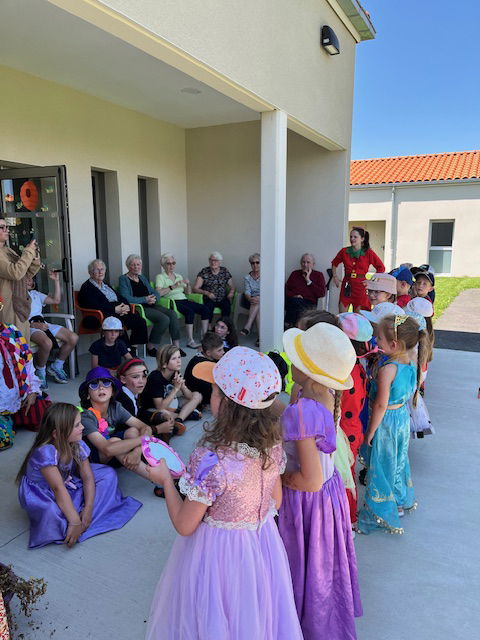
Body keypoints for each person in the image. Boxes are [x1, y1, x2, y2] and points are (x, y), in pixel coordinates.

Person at [144, 347, 303, 640]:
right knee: (252, 614)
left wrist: (165, 480)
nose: (210, 394)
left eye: (215, 391)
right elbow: (275, 501)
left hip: (218, 554)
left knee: (215, 614)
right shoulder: (272, 447)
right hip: (261, 546)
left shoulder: (211, 460)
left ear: (226, 405)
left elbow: (184, 524)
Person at [279, 322, 362, 640]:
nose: (290, 361)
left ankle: (311, 627)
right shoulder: (325, 396)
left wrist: (277, 475)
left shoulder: (302, 412)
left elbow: (308, 480)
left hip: (307, 503)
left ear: (309, 371)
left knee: (307, 569)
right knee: (323, 568)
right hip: (329, 498)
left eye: (295, 359)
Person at [17, 403, 141, 549]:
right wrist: (75, 521)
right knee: (51, 511)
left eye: (80, 423)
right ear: (57, 434)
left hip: (66, 481)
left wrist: (88, 509)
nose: (82, 427)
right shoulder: (45, 452)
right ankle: (76, 522)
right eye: (77, 425)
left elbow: (88, 477)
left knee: (108, 474)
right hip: (44, 493)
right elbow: (57, 488)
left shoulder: (77, 443)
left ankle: (84, 517)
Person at [357, 314, 428, 534]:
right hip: (401, 421)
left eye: (379, 338)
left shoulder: (388, 370)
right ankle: (398, 501)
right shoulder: (410, 363)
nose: (376, 341)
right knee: (397, 461)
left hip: (386, 422)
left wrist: (370, 431)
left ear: (394, 344)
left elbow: (380, 405)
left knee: (381, 464)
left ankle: (380, 511)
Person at [79, 367, 152, 480]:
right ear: (88, 394)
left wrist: (137, 452)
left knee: (133, 431)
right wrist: (143, 439)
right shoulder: (86, 416)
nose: (101, 387)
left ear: (112, 391)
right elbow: (107, 449)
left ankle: (144, 463)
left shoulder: (116, 407)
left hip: (113, 453)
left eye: (106, 383)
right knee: (114, 442)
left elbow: (145, 427)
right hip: (93, 459)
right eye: (94, 385)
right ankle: (159, 480)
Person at [338, 312, 373, 525]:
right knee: (347, 474)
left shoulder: (344, 370)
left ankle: (348, 519)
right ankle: (348, 517)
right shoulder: (356, 364)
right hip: (352, 429)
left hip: (344, 431)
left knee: (344, 477)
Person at [119, 254, 183, 357]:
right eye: (133, 265)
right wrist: (145, 299)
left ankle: (176, 346)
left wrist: (154, 298)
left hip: (150, 304)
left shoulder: (142, 278)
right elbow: (126, 298)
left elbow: (154, 292)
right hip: (139, 307)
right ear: (128, 266)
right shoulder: (123, 279)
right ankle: (151, 346)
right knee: (164, 319)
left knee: (172, 313)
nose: (136, 267)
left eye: (138, 264)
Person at [78, 259, 147, 350]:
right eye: (96, 269)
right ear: (90, 272)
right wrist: (114, 309)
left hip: (117, 311)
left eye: (102, 269)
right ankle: (126, 350)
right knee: (116, 322)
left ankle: (133, 348)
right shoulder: (87, 287)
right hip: (101, 315)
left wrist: (126, 306)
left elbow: (121, 297)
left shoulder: (105, 285)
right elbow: (94, 305)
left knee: (139, 320)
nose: (100, 272)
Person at [27, 271, 78, 387]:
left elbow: (56, 300)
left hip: (43, 323)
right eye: (25, 278)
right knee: (47, 343)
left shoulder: (35, 294)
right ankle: (40, 372)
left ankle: (56, 366)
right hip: (28, 326)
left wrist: (56, 281)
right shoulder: (16, 295)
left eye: (30, 278)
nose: (29, 281)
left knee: (73, 338)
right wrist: (34, 325)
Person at [140, 345, 203, 434]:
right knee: (164, 415)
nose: (179, 361)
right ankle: (185, 414)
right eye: (174, 359)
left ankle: (179, 419)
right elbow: (160, 406)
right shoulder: (155, 377)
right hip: (153, 409)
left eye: (179, 357)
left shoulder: (175, 372)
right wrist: (175, 389)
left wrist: (182, 386)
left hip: (171, 404)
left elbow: (190, 396)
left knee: (197, 395)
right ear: (164, 364)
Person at [0, 317, 41, 450]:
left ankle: (11, 419)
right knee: (3, 441)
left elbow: (28, 362)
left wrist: (33, 391)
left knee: (45, 419)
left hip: (19, 397)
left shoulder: (11, 331)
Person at [155, 253, 210, 349]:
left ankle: (204, 337)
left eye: (173, 263)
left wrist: (188, 285)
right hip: (172, 301)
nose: (171, 265)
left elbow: (188, 293)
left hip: (184, 299)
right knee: (190, 312)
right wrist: (173, 286)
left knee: (205, 309)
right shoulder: (160, 277)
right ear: (163, 265)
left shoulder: (178, 276)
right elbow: (158, 293)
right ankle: (190, 340)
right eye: (168, 263)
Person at [0, 218, 41, 340]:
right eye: (2, 227)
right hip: (7, 307)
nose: (6, 230)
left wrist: (34, 255)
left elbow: (26, 273)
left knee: (23, 349)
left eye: (6, 227)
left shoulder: (8, 250)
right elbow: (16, 273)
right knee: (13, 350)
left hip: (19, 305)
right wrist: (28, 252)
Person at [116, 358, 174, 441]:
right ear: (123, 379)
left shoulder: (135, 392)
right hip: (122, 437)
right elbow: (129, 427)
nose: (141, 381)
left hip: (134, 430)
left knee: (161, 417)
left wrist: (159, 415)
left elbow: (139, 414)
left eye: (144, 376)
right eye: (135, 377)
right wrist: (157, 429)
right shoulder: (122, 400)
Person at [332, 227, 385, 313]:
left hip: (361, 286)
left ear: (362, 239)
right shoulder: (344, 251)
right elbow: (334, 263)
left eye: (355, 237)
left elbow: (381, 267)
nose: (352, 239)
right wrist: (335, 277)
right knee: (342, 315)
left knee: (359, 316)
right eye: (351, 236)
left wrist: (372, 280)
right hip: (347, 284)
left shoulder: (368, 252)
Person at [184, 332, 225, 407]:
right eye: (219, 350)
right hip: (199, 395)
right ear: (208, 353)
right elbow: (209, 388)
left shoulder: (212, 357)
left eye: (222, 349)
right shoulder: (201, 365)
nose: (223, 352)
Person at [285, 253, 326, 326]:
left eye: (308, 262)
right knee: (294, 302)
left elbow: (321, 293)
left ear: (313, 264)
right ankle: (294, 326)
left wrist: (308, 280)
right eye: (303, 262)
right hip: (293, 300)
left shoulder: (318, 275)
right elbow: (285, 290)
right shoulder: (295, 274)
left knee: (296, 305)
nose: (305, 264)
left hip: (309, 303)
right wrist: (294, 295)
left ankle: (289, 325)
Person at [192, 252, 235, 320]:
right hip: (209, 298)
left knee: (227, 306)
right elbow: (195, 289)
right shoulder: (204, 271)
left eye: (215, 260)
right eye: (211, 260)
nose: (213, 262)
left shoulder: (224, 271)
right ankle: (208, 328)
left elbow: (232, 286)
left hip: (222, 297)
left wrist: (232, 292)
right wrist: (207, 293)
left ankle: (224, 326)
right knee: (209, 307)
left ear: (220, 262)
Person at [240, 253, 261, 337]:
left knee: (257, 302)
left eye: (257, 262)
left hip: (265, 300)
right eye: (252, 263)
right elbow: (247, 292)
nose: (255, 265)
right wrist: (250, 299)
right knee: (257, 305)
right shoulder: (247, 277)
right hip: (250, 300)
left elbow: (268, 291)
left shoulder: (267, 276)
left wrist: (260, 298)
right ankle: (261, 338)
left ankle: (248, 326)